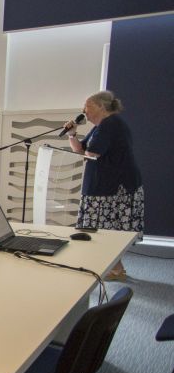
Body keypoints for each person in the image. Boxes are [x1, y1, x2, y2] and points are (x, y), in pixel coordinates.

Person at [65, 90, 144, 281]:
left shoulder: (111, 124)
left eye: (88, 107)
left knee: (105, 230)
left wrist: (86, 152)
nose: (84, 111)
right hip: (104, 185)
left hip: (113, 187)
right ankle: (116, 269)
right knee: (104, 229)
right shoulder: (101, 125)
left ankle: (115, 269)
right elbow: (81, 149)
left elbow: (92, 154)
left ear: (102, 106)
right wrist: (72, 134)